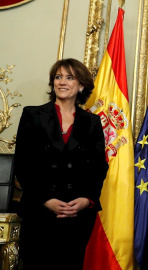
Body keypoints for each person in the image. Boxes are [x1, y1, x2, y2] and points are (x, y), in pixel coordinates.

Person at [14, 58, 108, 270]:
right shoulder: (32, 114)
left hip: (77, 214)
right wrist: (45, 199)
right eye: (58, 77)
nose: (62, 82)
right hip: (40, 212)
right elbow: (23, 163)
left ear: (81, 85)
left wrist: (87, 199)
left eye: (69, 77)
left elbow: (98, 167)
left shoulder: (91, 122)